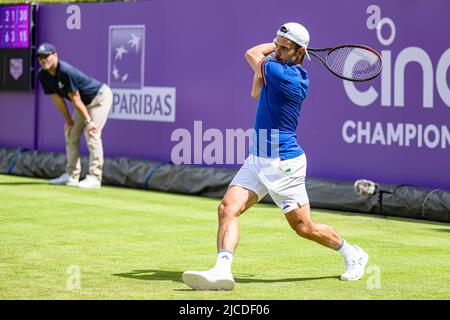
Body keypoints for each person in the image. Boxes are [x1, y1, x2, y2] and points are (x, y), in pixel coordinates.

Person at [182, 23, 369, 290]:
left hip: (283, 165)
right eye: (277, 45)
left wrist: (270, 47)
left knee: (304, 228)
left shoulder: (289, 77)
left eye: (284, 48)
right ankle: (221, 270)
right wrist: (277, 49)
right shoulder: (278, 69)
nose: (279, 51)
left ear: (300, 52)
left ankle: (353, 254)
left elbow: (251, 53)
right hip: (258, 158)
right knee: (227, 208)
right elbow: (255, 92)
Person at [37, 43, 113, 189]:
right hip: (83, 103)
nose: (43, 60)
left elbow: (76, 99)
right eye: (40, 57)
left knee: (92, 133)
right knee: (71, 134)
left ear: (55, 55)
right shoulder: (42, 75)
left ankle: (95, 178)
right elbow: (57, 99)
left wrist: (89, 121)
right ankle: (71, 175)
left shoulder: (65, 71)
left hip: (100, 98)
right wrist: (69, 121)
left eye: (46, 56)